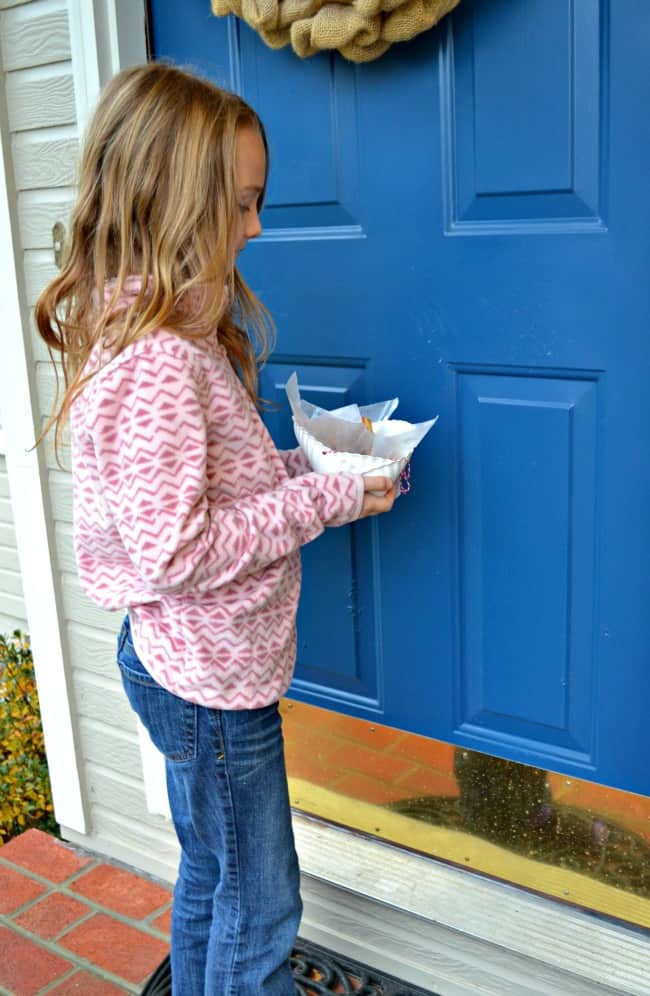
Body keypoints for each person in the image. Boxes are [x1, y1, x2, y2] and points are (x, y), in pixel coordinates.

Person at [35, 62, 396, 995]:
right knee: (261, 902)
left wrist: (309, 467)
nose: (257, 227)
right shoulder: (160, 361)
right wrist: (328, 499)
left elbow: (204, 499)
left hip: (185, 662)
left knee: (215, 872)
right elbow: (182, 550)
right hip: (208, 685)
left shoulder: (165, 336)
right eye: (239, 205)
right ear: (170, 203)